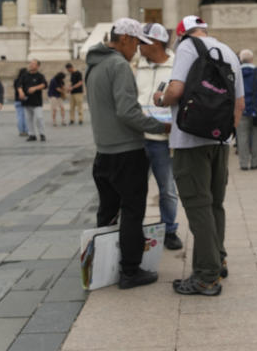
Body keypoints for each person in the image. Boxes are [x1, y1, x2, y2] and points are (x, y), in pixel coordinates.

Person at [154, 15, 245, 297]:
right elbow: (239, 104)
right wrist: (226, 136)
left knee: (197, 206)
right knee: (215, 204)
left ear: (182, 34)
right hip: (220, 140)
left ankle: (206, 276)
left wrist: (160, 99)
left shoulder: (186, 47)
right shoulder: (229, 51)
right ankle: (219, 258)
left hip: (189, 140)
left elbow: (176, 90)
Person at [85, 17, 171, 290]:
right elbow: (126, 111)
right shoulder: (118, 65)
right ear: (124, 39)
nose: (136, 49)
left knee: (108, 212)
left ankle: (102, 266)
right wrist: (160, 126)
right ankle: (130, 271)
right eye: (135, 43)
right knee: (133, 212)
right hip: (126, 152)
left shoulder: (93, 65)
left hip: (103, 152)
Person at [134, 22, 183, 251]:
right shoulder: (136, 67)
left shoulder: (177, 67)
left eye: (142, 42)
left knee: (167, 188)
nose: (138, 46)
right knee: (135, 188)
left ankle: (170, 229)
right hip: (137, 137)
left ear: (155, 43)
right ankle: (135, 230)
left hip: (163, 139)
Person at [236, 49, 257, 171]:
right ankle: (256, 162)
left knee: (241, 137)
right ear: (251, 59)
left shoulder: (236, 73)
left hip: (240, 110)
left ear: (240, 60)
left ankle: (243, 163)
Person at [17, 58, 48, 142]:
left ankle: (42, 134)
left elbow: (44, 85)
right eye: (30, 63)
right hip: (26, 101)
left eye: (33, 64)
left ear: (38, 66)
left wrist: (35, 88)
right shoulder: (24, 75)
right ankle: (32, 134)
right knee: (28, 119)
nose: (31, 65)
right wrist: (20, 92)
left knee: (39, 117)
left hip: (37, 101)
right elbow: (19, 85)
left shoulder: (40, 76)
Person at [13, 67, 28, 137]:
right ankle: (26, 130)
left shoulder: (16, 80)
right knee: (25, 116)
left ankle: (21, 131)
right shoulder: (25, 80)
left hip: (17, 100)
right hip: (24, 100)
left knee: (19, 116)